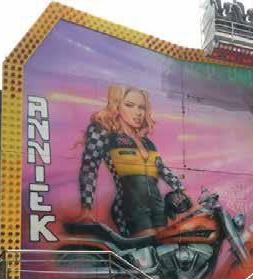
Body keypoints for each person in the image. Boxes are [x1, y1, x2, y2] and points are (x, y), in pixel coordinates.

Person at [77, 84, 190, 238]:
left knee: (163, 249)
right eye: (129, 105)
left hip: (158, 208)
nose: (138, 113)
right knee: (145, 249)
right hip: (130, 207)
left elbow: (162, 169)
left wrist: (181, 190)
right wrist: (86, 208)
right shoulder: (104, 133)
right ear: (117, 106)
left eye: (141, 107)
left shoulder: (147, 142)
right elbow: (89, 168)